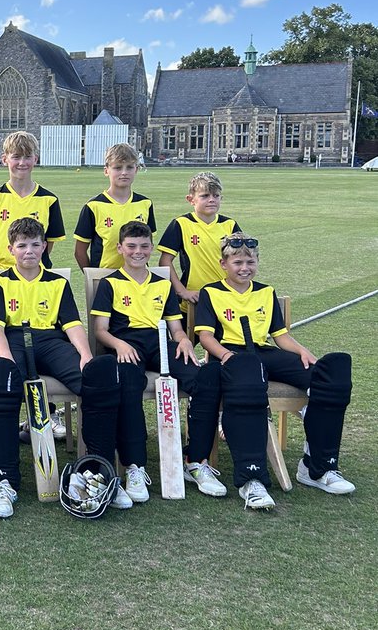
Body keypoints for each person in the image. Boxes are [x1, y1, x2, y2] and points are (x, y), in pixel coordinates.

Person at [195, 233, 355, 510]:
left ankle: (317, 468)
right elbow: (206, 338)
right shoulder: (211, 292)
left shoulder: (265, 292)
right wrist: (226, 356)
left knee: (332, 374)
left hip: (263, 352)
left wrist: (302, 351)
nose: (244, 267)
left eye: (250, 261)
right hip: (229, 356)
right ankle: (252, 480)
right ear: (224, 264)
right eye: (237, 262)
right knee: (246, 379)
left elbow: (280, 336)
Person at [0, 218, 120, 518]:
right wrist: (5, 357)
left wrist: (85, 355)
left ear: (44, 246)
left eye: (35, 244)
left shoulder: (58, 282)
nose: (29, 251)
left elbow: (71, 325)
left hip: (49, 340)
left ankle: (96, 472)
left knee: (96, 378)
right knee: (0, 379)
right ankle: (4, 480)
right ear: (10, 249)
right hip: (14, 338)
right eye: (22, 245)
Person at [90, 222, 221, 506]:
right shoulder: (110, 283)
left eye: (144, 246)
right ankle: (134, 467)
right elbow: (101, 329)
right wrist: (118, 344)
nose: (138, 252)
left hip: (160, 341)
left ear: (151, 247)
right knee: (128, 384)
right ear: (120, 248)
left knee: (205, 379)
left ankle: (195, 461)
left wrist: (184, 340)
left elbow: (174, 326)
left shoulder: (162, 284)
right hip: (126, 343)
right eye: (132, 246)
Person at [0, 130, 68, 438]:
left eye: (27, 156)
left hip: (38, 280)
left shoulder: (48, 199)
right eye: (15, 157)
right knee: (2, 351)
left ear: (36, 159)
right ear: (5, 159)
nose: (21, 162)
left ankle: (48, 414)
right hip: (1, 282)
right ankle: (9, 415)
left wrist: (31, 265)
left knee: (47, 345)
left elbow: (50, 244)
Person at [157, 172, 240, 307]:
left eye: (216, 196)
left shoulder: (230, 225)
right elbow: (165, 260)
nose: (212, 199)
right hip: (193, 298)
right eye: (205, 196)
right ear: (191, 200)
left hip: (224, 296)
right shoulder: (181, 224)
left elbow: (240, 260)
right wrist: (182, 291)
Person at [74, 143, 155, 270]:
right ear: (106, 170)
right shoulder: (93, 206)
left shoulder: (145, 204)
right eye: (117, 168)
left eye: (129, 167)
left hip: (137, 278)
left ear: (136, 169)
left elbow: (147, 245)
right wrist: (93, 277)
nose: (124, 172)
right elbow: (80, 252)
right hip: (105, 277)